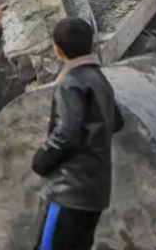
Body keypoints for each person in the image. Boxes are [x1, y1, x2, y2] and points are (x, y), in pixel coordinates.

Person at [31, 17, 124, 250]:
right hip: (96, 192)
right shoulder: (100, 79)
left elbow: (66, 132)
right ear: (92, 44)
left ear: (57, 49)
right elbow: (117, 122)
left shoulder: (70, 82)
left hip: (68, 190)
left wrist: (41, 160)